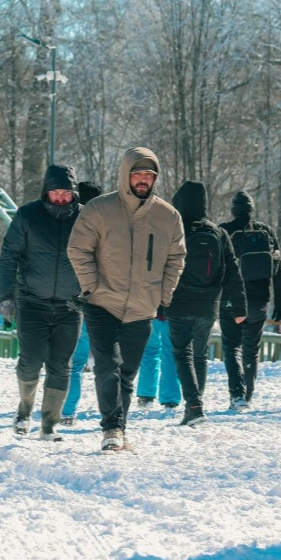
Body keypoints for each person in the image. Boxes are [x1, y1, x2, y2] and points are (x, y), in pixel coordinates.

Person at [67, 147, 185, 452]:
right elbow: (78, 249)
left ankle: (119, 426)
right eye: (137, 173)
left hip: (143, 307)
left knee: (127, 373)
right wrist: (91, 287)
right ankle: (112, 429)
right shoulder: (99, 209)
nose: (143, 179)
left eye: (149, 175)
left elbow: (176, 258)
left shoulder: (168, 216)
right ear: (125, 175)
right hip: (101, 303)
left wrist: (164, 295)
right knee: (107, 366)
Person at [0, 164, 84, 440]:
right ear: (46, 192)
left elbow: (101, 257)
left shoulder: (85, 218)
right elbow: (8, 256)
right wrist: (6, 297)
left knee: (61, 364)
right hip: (32, 301)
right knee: (31, 361)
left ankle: (49, 424)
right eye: (55, 192)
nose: (60, 197)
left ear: (74, 193)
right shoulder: (28, 215)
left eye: (66, 193)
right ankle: (25, 409)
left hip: (70, 305)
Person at [164, 181, 246, 426]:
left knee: (182, 354)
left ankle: (194, 405)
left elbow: (160, 267)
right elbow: (232, 271)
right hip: (210, 303)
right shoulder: (219, 233)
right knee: (199, 356)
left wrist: (157, 303)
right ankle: (197, 404)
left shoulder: (175, 231)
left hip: (179, 301)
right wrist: (240, 307)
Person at [218, 191, 281, 410]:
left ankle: (236, 395)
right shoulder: (266, 232)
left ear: (233, 210)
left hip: (231, 300)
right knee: (251, 349)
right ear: (251, 210)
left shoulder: (224, 231)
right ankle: (248, 394)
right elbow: (278, 269)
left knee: (231, 347)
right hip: (259, 302)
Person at [60, 181, 104, 426]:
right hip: (103, 301)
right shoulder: (108, 227)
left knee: (73, 362)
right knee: (109, 362)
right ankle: (113, 410)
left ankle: (67, 410)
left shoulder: (71, 226)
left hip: (74, 299)